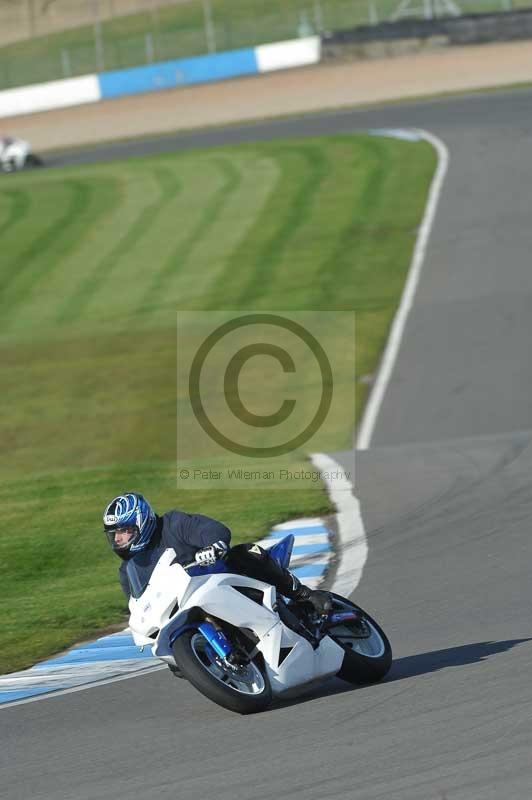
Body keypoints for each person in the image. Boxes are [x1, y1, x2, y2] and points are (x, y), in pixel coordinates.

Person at [103, 492, 331, 613]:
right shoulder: (128, 571)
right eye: (114, 534)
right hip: (186, 608)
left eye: (124, 531)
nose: (118, 539)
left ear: (142, 523)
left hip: (219, 578)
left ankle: (304, 596)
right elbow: (139, 607)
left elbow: (212, 529)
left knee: (245, 552)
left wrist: (213, 546)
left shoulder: (173, 524)